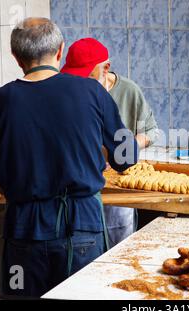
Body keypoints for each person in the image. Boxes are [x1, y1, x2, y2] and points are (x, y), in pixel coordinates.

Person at [0, 18, 138, 298]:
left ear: (16, 57)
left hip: (24, 232)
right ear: (61, 51)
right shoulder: (92, 92)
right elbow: (126, 156)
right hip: (82, 229)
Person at [61, 38, 160, 248]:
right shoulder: (70, 93)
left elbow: (151, 131)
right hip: (85, 186)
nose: (81, 82)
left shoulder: (128, 91)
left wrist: (124, 148)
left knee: (118, 249)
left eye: (86, 75)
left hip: (118, 184)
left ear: (106, 68)